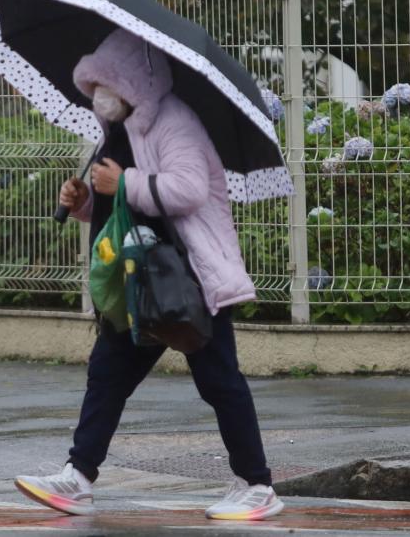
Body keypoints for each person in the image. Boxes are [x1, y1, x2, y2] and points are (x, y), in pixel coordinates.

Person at [14, 29, 284, 521]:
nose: (99, 96)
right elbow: (120, 203)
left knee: (219, 381)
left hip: (189, 275)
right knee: (108, 374)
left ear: (137, 82)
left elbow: (188, 189)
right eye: (94, 85)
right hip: (139, 276)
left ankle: (257, 485)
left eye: (109, 85)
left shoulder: (175, 122)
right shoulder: (119, 129)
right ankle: (78, 476)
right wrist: (85, 201)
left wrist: (125, 181)